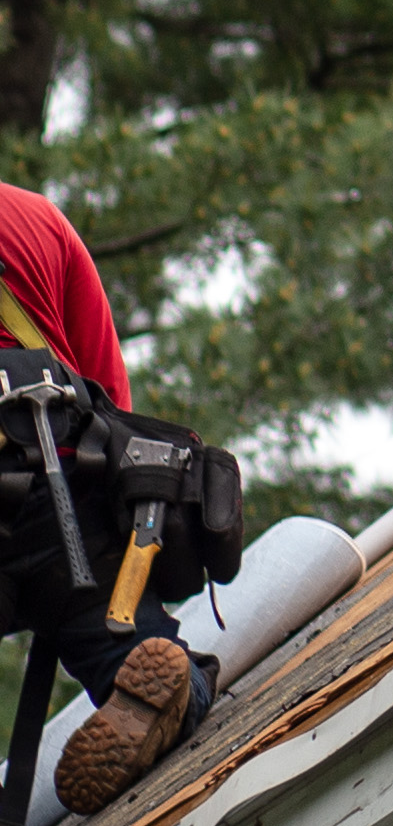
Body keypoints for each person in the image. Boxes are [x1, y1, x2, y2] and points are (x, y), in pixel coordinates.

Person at [0, 182, 217, 815]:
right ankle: (173, 689)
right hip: (65, 495)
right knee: (131, 653)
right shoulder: (34, 217)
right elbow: (108, 395)